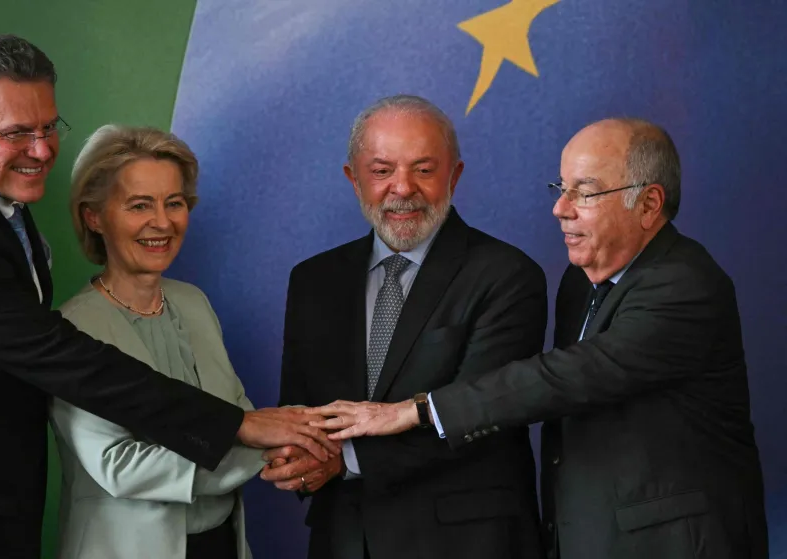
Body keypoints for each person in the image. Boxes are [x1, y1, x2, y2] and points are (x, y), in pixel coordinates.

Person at [0, 34, 333, 559]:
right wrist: (244, 431)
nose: (42, 150)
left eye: (48, 128)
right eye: (18, 132)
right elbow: (64, 360)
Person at [310, 118, 769, 559]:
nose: (560, 208)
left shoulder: (684, 284)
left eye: (584, 193)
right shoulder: (581, 282)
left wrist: (416, 409)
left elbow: (569, 378)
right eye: (560, 188)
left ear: (648, 205)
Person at [262, 95, 547, 559]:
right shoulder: (314, 280)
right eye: (381, 171)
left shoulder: (507, 275)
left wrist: (342, 461)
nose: (402, 187)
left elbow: (481, 414)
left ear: (453, 176)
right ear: (353, 179)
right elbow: (301, 407)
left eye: (424, 169)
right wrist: (297, 455)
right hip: (344, 539)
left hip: (465, 543)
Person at [49, 124, 264, 559]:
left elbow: (239, 411)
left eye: (175, 203)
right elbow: (120, 465)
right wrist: (266, 455)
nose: (162, 222)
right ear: (94, 216)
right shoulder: (71, 328)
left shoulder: (194, 303)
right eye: (139, 205)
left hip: (221, 544)